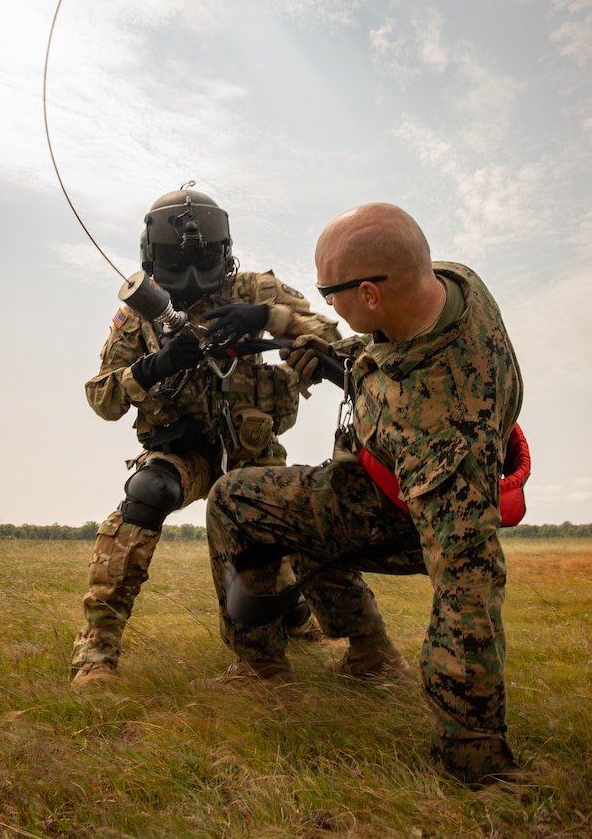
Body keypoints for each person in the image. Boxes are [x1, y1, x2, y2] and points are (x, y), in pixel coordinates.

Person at [202, 201, 526, 787]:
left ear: (371, 294)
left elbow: (468, 583)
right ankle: (370, 654)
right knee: (316, 503)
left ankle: (262, 671)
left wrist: (473, 747)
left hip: (415, 520)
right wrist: (332, 362)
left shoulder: (439, 427)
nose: (326, 305)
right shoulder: (452, 283)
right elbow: (393, 360)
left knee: (236, 500)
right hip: (382, 487)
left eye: (330, 294)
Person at [70, 184, 341, 686]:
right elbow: (101, 398)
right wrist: (150, 369)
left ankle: (298, 619)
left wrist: (264, 319)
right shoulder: (138, 316)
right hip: (185, 451)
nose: (192, 279)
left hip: (253, 453)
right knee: (147, 494)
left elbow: (328, 334)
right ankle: (97, 652)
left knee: (278, 534)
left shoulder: (255, 290)